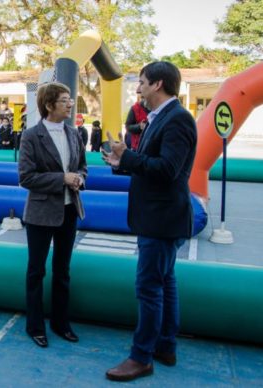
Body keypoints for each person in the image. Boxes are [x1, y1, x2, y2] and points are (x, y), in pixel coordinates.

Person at [102, 61, 197, 382]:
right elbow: (154, 165)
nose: (138, 88)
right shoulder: (162, 118)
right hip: (160, 217)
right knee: (165, 282)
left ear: (158, 85)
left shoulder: (178, 120)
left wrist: (127, 157)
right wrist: (122, 161)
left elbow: (168, 170)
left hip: (162, 219)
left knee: (148, 288)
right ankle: (165, 345)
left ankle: (141, 357)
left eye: (142, 82)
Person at [18, 82, 87, 348]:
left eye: (70, 99)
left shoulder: (74, 134)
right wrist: (62, 178)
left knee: (63, 271)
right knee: (36, 271)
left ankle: (60, 322)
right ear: (49, 105)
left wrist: (79, 179)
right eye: (65, 100)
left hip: (70, 211)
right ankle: (35, 326)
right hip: (40, 214)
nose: (70, 104)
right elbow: (26, 177)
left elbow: (82, 168)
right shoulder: (31, 136)